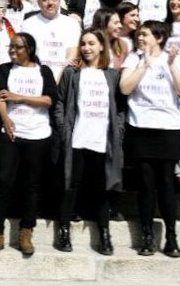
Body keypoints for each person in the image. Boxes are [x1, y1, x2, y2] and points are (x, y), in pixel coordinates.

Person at [120, 20, 180, 258]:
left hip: (168, 128)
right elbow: (125, 88)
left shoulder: (173, 59)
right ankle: (147, 236)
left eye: (146, 35)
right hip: (141, 127)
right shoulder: (133, 59)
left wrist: (171, 65)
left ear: (159, 37)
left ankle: (171, 236)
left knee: (167, 185)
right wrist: (143, 65)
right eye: (139, 35)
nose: (141, 38)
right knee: (146, 186)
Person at [53, 29, 123, 256]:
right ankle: (63, 231)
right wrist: (64, 130)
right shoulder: (73, 74)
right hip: (77, 139)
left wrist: (118, 130)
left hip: (102, 141)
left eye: (91, 43)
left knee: (102, 189)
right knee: (70, 186)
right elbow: (60, 102)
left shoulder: (112, 75)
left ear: (102, 46)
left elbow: (120, 108)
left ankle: (104, 234)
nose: (86, 48)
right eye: (83, 43)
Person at [0, 32, 57, 257]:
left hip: (37, 135)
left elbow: (48, 100)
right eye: (11, 47)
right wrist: (5, 119)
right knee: (2, 181)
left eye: (18, 47)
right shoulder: (3, 69)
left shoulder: (43, 71)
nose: (13, 51)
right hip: (10, 134)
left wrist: (20, 98)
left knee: (31, 185)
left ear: (30, 49)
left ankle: (26, 233)